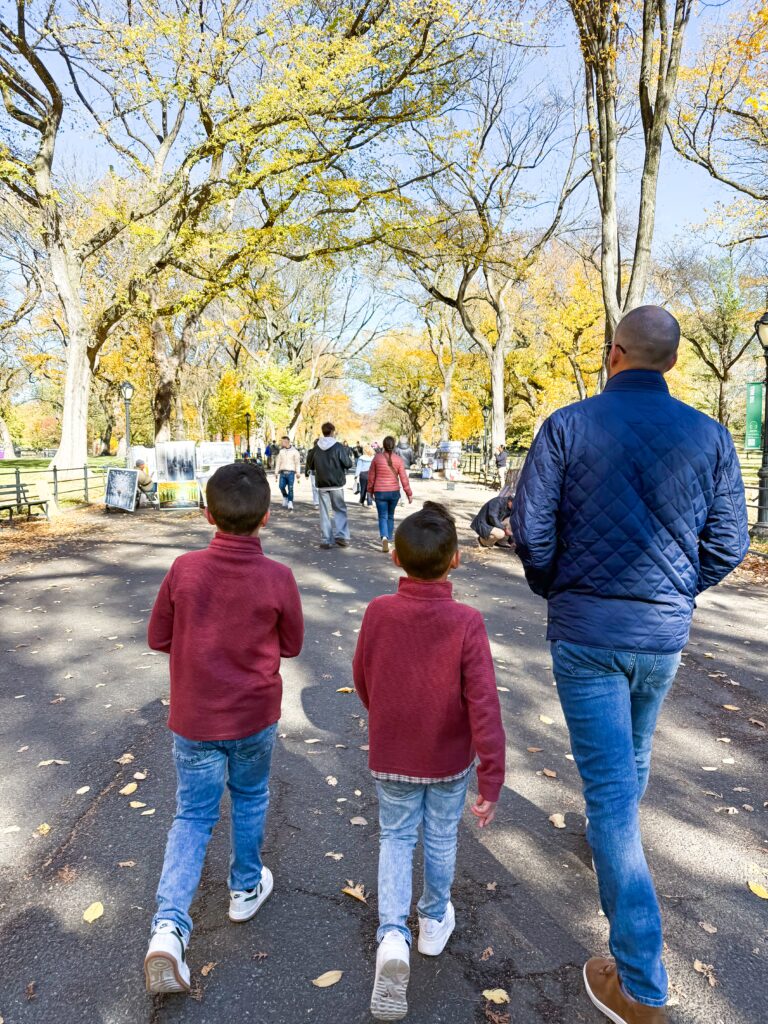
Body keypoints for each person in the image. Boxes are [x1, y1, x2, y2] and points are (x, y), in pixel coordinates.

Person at [511, 305, 749, 1024]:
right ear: (671, 363)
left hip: (587, 631)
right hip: (659, 635)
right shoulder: (711, 436)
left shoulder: (568, 425)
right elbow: (730, 540)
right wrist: (675, 592)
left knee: (613, 794)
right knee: (630, 760)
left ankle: (642, 984)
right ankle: (608, 849)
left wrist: (560, 586)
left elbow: (531, 529)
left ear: (615, 353)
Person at [143, 462, 304, 994]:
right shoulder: (278, 577)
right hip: (253, 715)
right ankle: (244, 888)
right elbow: (292, 644)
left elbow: (157, 637)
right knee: (251, 797)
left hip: (194, 717)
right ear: (266, 517)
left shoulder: (184, 569)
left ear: (207, 513)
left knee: (192, 815)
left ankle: (169, 927)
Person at [353, 502, 505, 1021]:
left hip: (392, 753)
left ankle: (392, 935)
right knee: (441, 837)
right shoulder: (467, 622)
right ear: (457, 560)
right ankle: (433, 920)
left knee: (395, 837)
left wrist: (387, 716)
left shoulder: (378, 612)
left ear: (395, 557)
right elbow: (483, 701)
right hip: (448, 760)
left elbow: (363, 677)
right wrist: (492, 774)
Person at [305, 422, 354, 549]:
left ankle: (326, 539)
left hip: (321, 483)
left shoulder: (316, 448)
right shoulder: (338, 447)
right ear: (332, 431)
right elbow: (348, 464)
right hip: (336, 483)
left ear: (323, 432)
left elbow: (309, 463)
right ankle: (341, 536)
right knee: (339, 510)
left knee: (324, 512)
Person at [367, 436, 413, 553]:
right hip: (394, 493)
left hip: (380, 492)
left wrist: (370, 491)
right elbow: (404, 478)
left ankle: (384, 538)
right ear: (394, 446)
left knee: (382, 516)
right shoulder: (398, 460)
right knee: (390, 516)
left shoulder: (377, 458)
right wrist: (409, 493)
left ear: (384, 445)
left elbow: (371, 477)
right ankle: (389, 539)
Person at [274, 435, 301, 510]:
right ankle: (285, 496)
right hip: (282, 472)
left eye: (282, 442)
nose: (281, 443)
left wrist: (298, 472)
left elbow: (297, 463)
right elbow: (278, 462)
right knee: (281, 486)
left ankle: (290, 502)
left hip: (291, 473)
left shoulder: (295, 451)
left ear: (287, 442)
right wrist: (276, 472)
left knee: (290, 488)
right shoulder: (281, 451)